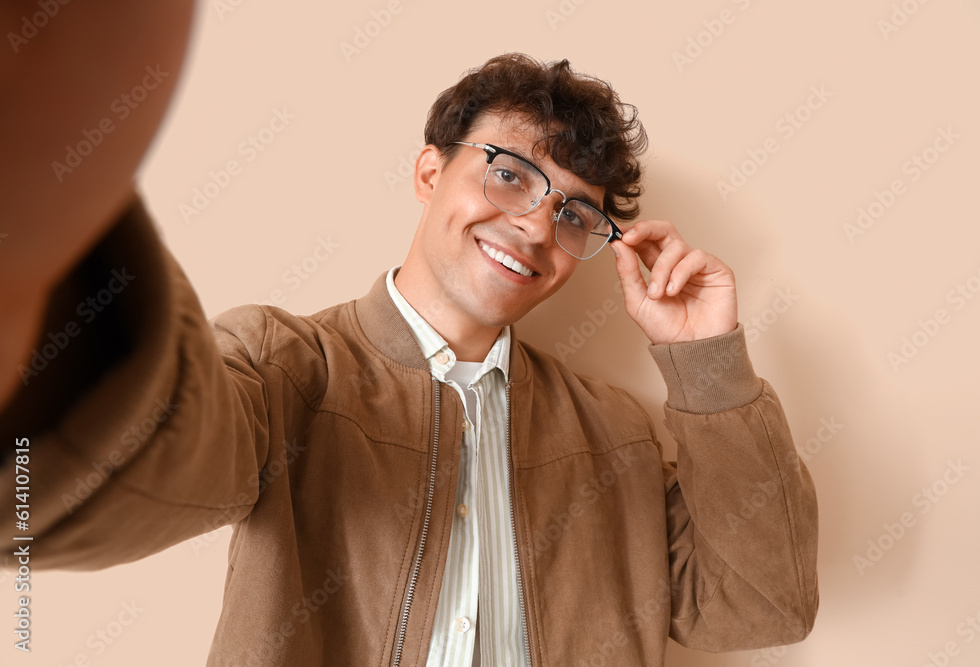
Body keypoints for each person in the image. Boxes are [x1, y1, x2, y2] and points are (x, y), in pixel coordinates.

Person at [0, 3, 818, 665]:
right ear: (431, 172)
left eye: (574, 212)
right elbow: (99, 482)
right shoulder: (285, 366)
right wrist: (40, 256)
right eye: (508, 173)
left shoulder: (619, 434)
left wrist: (704, 360)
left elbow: (761, 605)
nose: (536, 225)